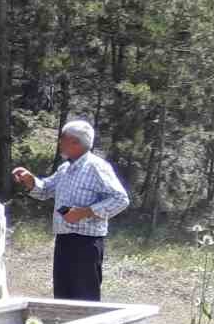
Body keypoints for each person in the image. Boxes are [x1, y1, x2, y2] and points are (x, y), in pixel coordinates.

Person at [11, 119, 130, 301]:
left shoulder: (96, 167)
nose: (60, 142)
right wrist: (30, 180)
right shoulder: (65, 168)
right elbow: (45, 190)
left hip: (86, 244)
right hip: (64, 241)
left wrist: (84, 212)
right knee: (62, 297)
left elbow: (121, 199)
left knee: (85, 298)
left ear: (75, 142)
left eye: (63, 138)